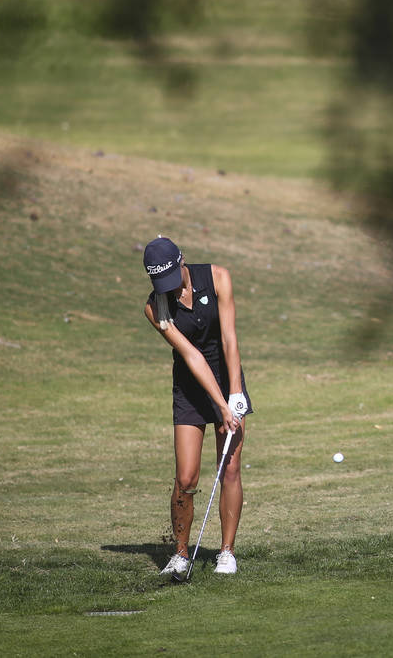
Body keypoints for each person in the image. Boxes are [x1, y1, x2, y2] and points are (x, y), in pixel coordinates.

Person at [142, 236, 253, 575]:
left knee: (230, 469)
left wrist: (234, 395)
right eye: (162, 284)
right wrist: (219, 404)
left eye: (173, 280)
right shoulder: (155, 307)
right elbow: (191, 355)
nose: (171, 290)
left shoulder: (218, 277)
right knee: (186, 477)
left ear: (182, 261)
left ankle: (226, 552)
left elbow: (230, 338)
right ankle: (180, 554)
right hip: (191, 387)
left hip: (227, 375)